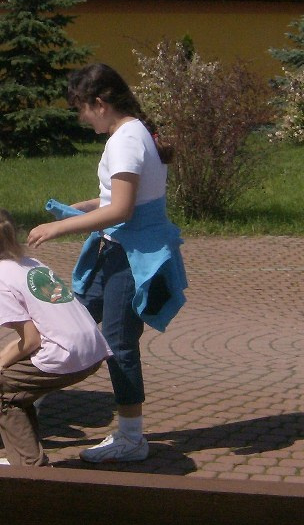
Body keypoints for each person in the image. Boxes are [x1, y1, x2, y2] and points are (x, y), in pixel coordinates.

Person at [27, 63, 187, 464]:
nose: (81, 117)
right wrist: (77, 209)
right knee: (71, 321)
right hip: (117, 249)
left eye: (81, 108)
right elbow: (119, 199)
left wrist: (58, 229)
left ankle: (132, 437)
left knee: (118, 344)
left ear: (100, 103)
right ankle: (29, 401)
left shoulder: (125, 140)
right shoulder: (132, 133)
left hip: (130, 256)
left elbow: (121, 209)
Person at [0, 207, 109, 467]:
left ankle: (29, 465)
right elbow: (42, 323)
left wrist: (0, 366)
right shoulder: (32, 265)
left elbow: (31, 340)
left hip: (67, 354)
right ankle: (23, 455)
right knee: (15, 387)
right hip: (93, 347)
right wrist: (9, 353)